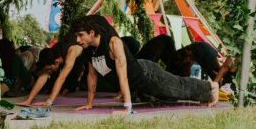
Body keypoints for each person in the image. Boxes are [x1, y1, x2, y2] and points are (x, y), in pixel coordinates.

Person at [71, 16, 218, 113]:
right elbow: (92, 76)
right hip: (139, 85)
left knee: (178, 89)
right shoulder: (89, 50)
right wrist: (89, 103)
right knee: (171, 97)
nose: (77, 40)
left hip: (147, 74)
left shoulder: (113, 43)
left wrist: (127, 108)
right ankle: (206, 90)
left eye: (80, 35)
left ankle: (211, 87)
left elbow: (123, 76)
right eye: (76, 36)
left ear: (91, 32)